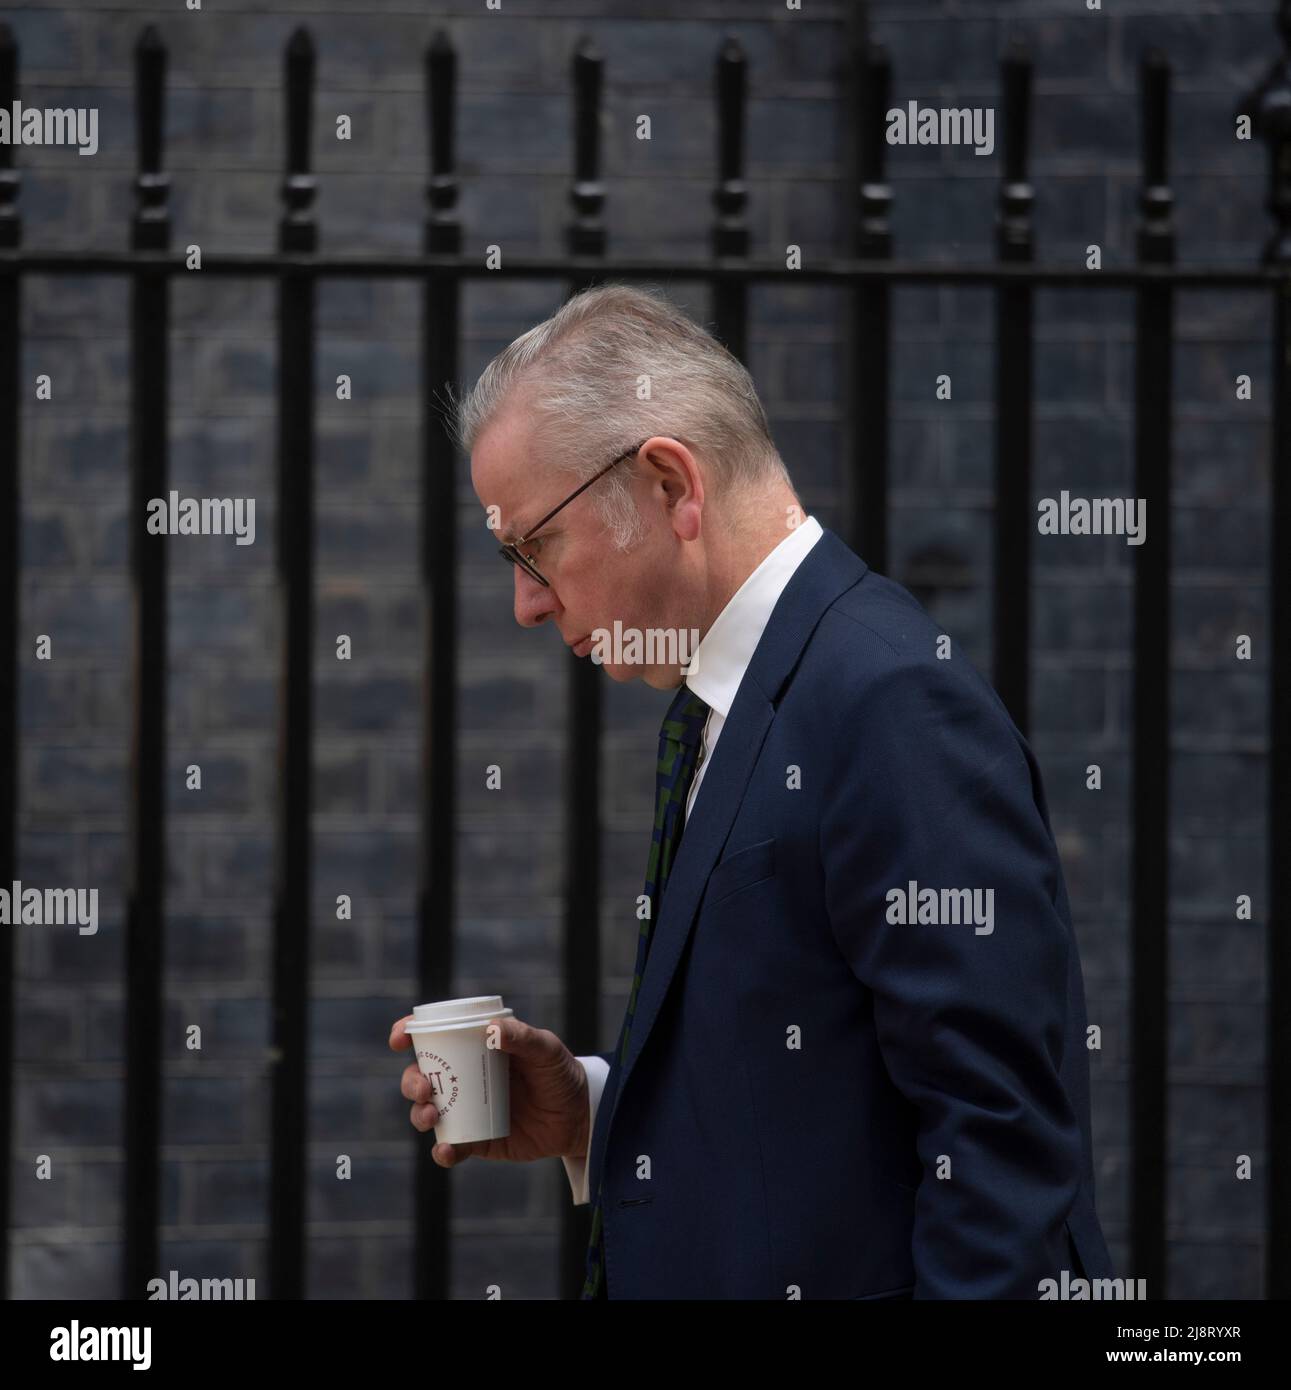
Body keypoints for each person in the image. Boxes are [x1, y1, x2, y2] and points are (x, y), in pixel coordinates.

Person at [390, 282, 1114, 1299]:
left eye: (532, 545)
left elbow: (999, 1154)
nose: (524, 601)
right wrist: (591, 1113)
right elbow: (809, 1108)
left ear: (668, 485)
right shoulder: (730, 698)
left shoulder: (890, 699)